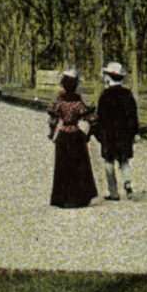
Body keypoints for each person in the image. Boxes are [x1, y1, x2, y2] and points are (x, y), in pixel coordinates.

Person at [47, 69, 98, 208]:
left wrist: (52, 134)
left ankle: (63, 198)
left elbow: (53, 120)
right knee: (79, 167)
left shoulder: (59, 101)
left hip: (63, 136)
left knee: (63, 167)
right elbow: (91, 119)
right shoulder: (79, 102)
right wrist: (88, 133)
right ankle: (79, 198)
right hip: (76, 136)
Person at [92, 61, 139, 200]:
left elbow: (100, 116)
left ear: (108, 77)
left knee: (109, 162)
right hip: (124, 133)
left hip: (109, 134)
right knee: (124, 161)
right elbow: (133, 114)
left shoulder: (105, 95)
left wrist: (98, 132)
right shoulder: (127, 94)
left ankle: (113, 192)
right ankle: (128, 184)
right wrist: (135, 132)